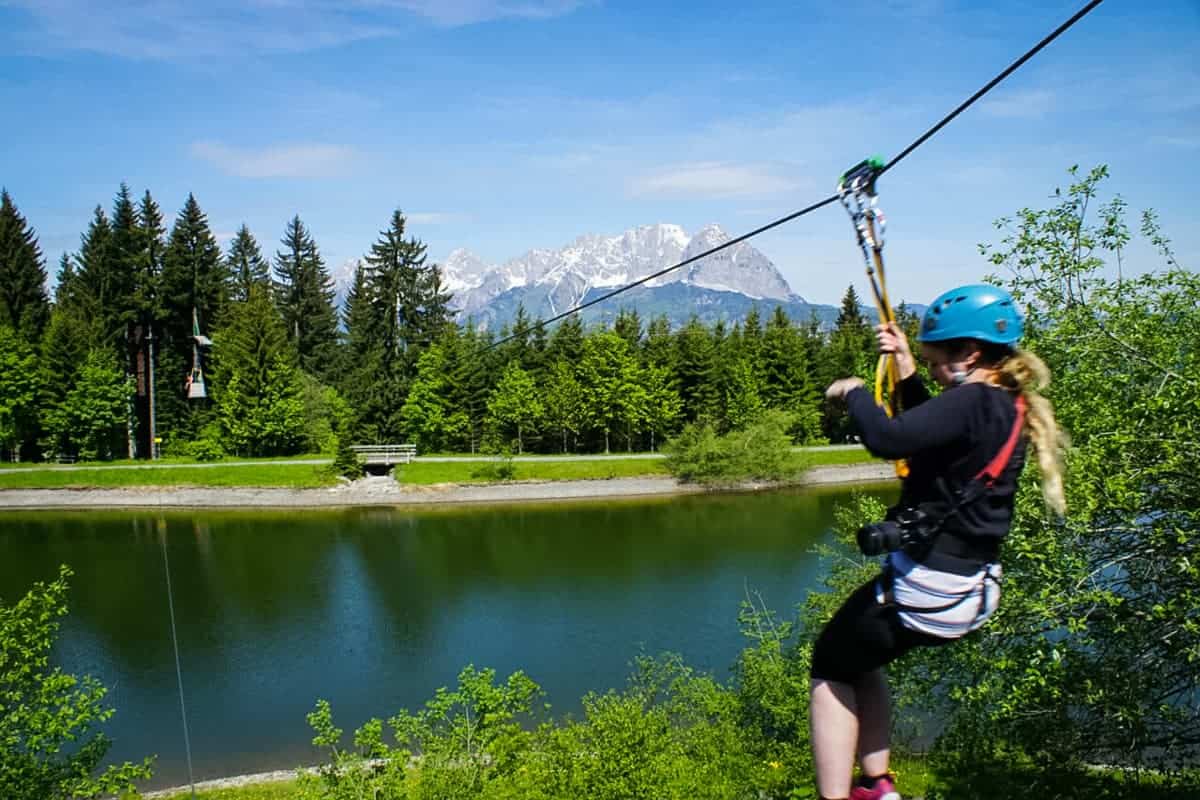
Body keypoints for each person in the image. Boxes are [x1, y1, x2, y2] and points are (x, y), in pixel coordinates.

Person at [811, 284, 1066, 800]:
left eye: (932, 360)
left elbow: (888, 439)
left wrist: (853, 392)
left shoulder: (972, 400)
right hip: (973, 587)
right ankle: (877, 788)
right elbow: (929, 433)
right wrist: (904, 365)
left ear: (967, 354)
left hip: (929, 587)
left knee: (829, 667)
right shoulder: (1003, 405)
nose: (929, 369)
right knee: (861, 658)